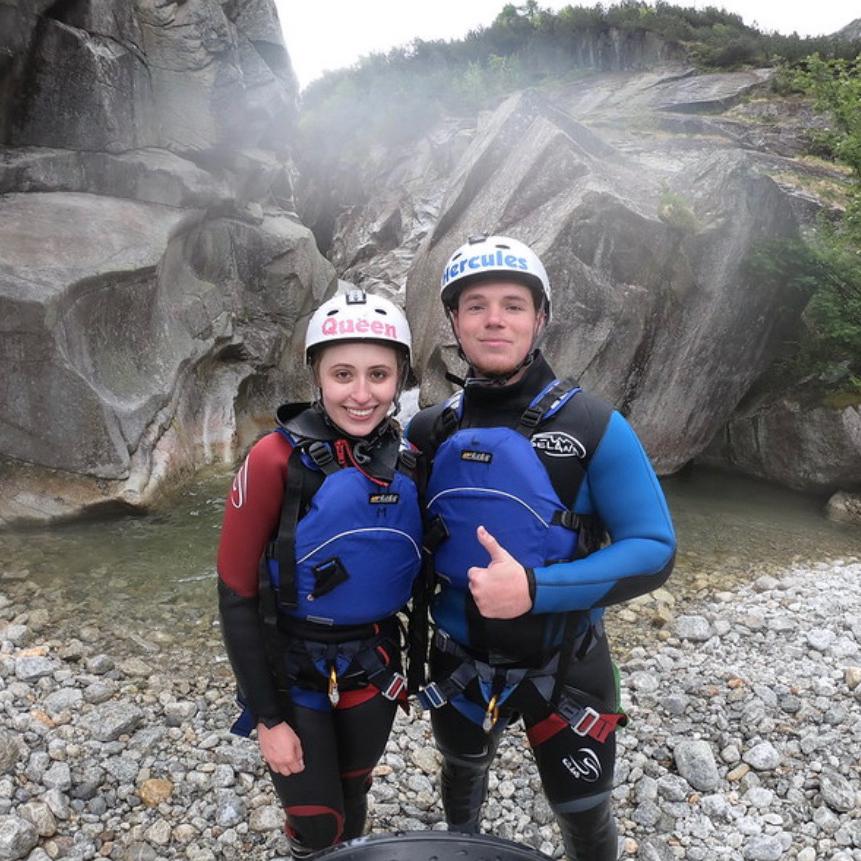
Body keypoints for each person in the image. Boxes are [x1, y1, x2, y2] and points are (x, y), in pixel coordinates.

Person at [406, 235, 676, 860]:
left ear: (540, 318)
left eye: (513, 304)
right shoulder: (428, 428)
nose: (493, 319)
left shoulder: (593, 426)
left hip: (568, 667)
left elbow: (654, 549)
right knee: (461, 794)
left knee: (583, 816)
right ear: (453, 321)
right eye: (475, 305)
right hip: (457, 661)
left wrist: (535, 589)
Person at [217, 290, 423, 858]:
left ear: (401, 377)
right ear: (316, 375)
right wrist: (267, 718)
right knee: (316, 824)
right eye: (343, 374)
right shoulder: (273, 460)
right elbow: (236, 595)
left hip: (375, 665)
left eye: (379, 374)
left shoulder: (410, 457)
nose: (361, 394)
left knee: (353, 800)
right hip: (292, 671)